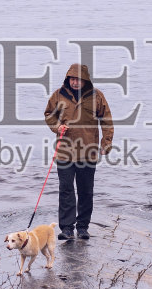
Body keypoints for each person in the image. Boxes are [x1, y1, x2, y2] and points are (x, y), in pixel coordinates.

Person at [44, 62, 113, 242]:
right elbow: (49, 114)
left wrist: (107, 142)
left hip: (88, 152)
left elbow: (106, 120)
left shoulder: (97, 96)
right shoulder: (59, 95)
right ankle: (67, 228)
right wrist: (58, 127)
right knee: (66, 190)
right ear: (68, 79)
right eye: (72, 79)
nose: (75, 82)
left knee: (85, 191)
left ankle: (83, 227)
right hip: (65, 151)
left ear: (85, 80)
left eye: (78, 79)